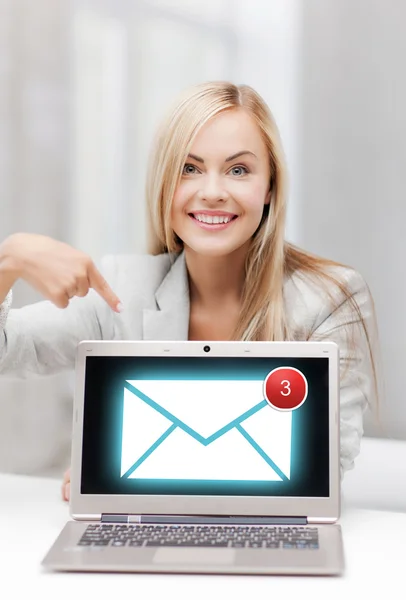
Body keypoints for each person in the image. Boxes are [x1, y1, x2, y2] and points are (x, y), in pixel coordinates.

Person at [0, 81, 378, 503]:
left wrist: (120, 472)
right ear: (164, 183)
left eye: (239, 170)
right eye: (189, 168)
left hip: (269, 543)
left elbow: (324, 466)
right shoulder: (121, 290)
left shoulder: (331, 299)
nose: (212, 191)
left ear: (269, 187)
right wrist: (9, 261)